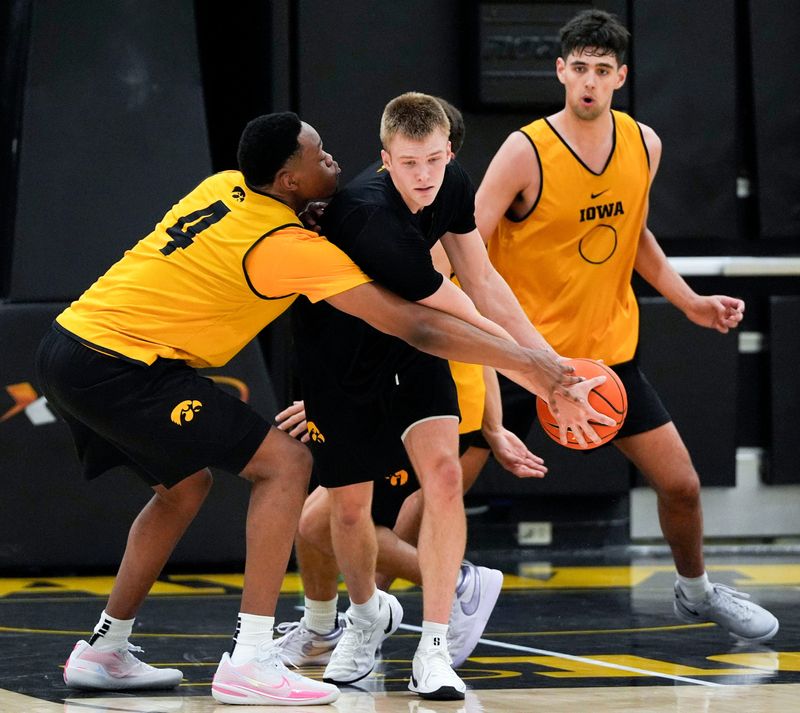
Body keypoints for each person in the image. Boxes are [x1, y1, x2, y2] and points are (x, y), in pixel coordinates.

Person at [35, 112, 593, 707]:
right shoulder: (287, 247)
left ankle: (103, 648)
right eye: (316, 153)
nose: (330, 157)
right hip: (121, 365)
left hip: (68, 345)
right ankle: (249, 658)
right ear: (287, 179)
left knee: (183, 488)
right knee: (285, 464)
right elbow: (417, 326)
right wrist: (535, 369)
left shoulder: (226, 185)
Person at [289, 92, 614, 700]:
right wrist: (544, 376)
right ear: (385, 158)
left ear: (449, 152)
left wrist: (554, 364)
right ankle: (363, 619)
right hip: (343, 360)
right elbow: (457, 311)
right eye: (410, 163)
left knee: (442, 478)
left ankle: (434, 647)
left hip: (415, 350)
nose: (425, 176)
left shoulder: (451, 181)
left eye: (436, 160)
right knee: (347, 510)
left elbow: (484, 279)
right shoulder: (366, 216)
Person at [472, 8, 779, 642]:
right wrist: (485, 339)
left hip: (606, 355)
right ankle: (365, 611)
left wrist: (690, 300)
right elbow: (466, 244)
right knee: (444, 484)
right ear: (560, 72)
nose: (588, 81)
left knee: (682, 484)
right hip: (519, 357)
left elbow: (632, 234)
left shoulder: (644, 143)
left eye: (601, 70)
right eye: (578, 68)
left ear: (621, 77)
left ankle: (694, 592)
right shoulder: (525, 151)